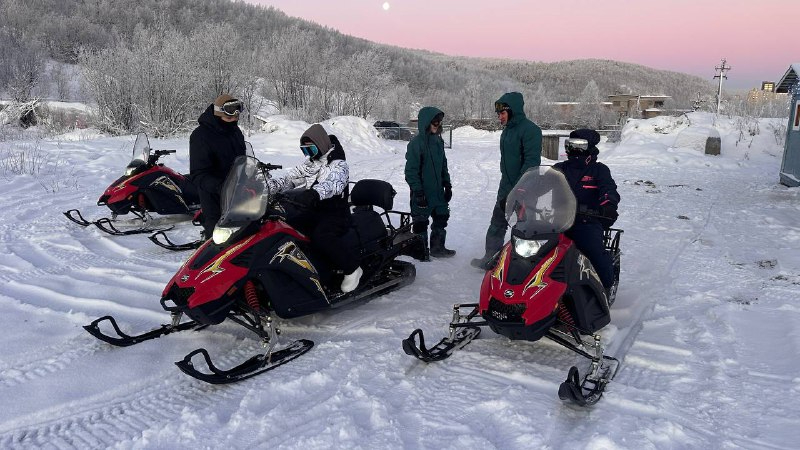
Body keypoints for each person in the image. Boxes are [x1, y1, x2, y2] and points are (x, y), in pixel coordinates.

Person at [267, 124, 363, 293]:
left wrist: (314, 193)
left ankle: (352, 268)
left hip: (335, 213)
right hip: (313, 210)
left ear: (320, 144)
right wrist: (266, 187)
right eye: (304, 151)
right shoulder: (311, 164)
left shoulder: (338, 164)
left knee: (321, 236)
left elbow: (333, 183)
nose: (308, 155)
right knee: (285, 227)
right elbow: (289, 178)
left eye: (310, 149)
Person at [471, 92, 542, 269]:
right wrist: (506, 191)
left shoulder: (531, 130)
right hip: (506, 188)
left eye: (502, 113)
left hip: (525, 190)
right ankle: (491, 257)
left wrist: (517, 191)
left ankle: (524, 265)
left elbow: (531, 164)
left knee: (524, 229)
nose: (499, 117)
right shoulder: (507, 132)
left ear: (513, 111)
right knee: (497, 223)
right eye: (498, 114)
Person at [553, 128, 620, 292]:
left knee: (591, 247)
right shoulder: (559, 168)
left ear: (589, 147)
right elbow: (540, 184)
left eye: (579, 145)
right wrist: (522, 194)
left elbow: (608, 189)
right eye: (570, 145)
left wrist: (608, 205)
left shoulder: (599, 170)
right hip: (557, 219)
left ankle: (605, 285)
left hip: (586, 220)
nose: (574, 149)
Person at [189, 93, 247, 238]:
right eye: (229, 117)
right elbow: (198, 174)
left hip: (237, 192)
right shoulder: (200, 136)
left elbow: (242, 160)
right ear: (217, 114)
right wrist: (222, 186)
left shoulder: (235, 131)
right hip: (213, 196)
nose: (234, 120)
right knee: (217, 235)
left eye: (236, 117)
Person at [404, 106, 455, 259]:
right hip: (422, 192)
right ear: (426, 122)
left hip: (438, 192)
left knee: (441, 218)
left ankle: (437, 248)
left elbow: (443, 165)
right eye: (434, 121)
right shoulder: (416, 143)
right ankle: (421, 252)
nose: (437, 124)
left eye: (439, 122)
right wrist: (418, 191)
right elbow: (411, 171)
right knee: (420, 223)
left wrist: (447, 184)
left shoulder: (438, 141)